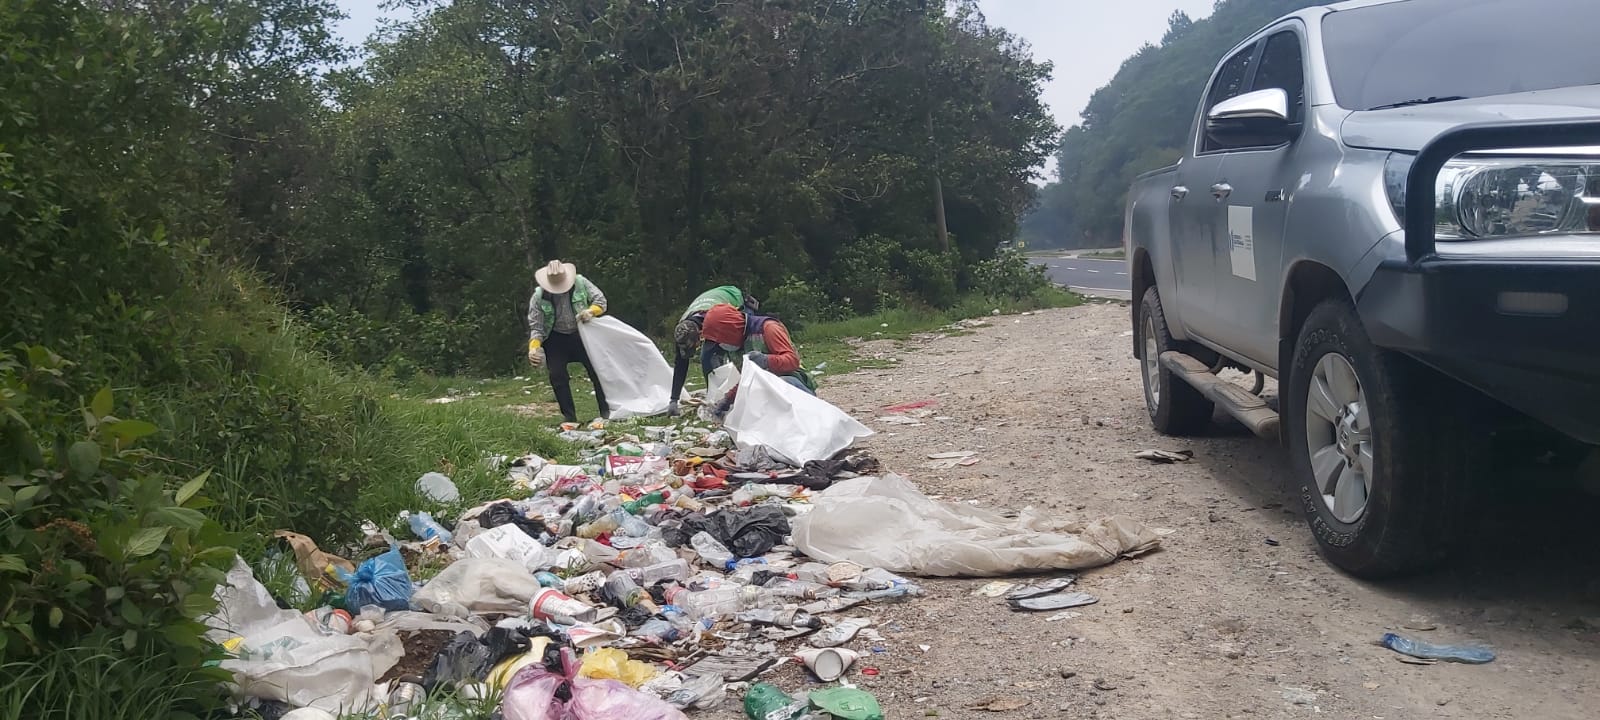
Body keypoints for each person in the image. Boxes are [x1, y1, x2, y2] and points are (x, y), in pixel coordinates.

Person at [526, 259, 610, 423]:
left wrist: (591, 312)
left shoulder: (581, 282)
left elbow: (601, 302)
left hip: (582, 333)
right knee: (557, 375)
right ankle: (569, 417)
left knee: (597, 371)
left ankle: (606, 412)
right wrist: (533, 349)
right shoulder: (538, 296)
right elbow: (537, 327)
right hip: (555, 338)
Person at [668, 286, 759, 416]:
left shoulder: (714, 320)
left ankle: (747, 394)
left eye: (696, 346)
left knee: (740, 353)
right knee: (708, 357)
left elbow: (736, 333)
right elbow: (680, 364)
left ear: (700, 334)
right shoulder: (683, 331)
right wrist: (674, 399)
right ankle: (717, 397)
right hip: (711, 303)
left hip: (736, 300)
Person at [699, 302, 817, 397]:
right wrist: (728, 400)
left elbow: (793, 361)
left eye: (721, 339)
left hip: (793, 384)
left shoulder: (769, 328)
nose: (720, 344)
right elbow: (747, 380)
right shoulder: (734, 348)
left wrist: (767, 360)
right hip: (764, 391)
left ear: (730, 330)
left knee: (778, 385)